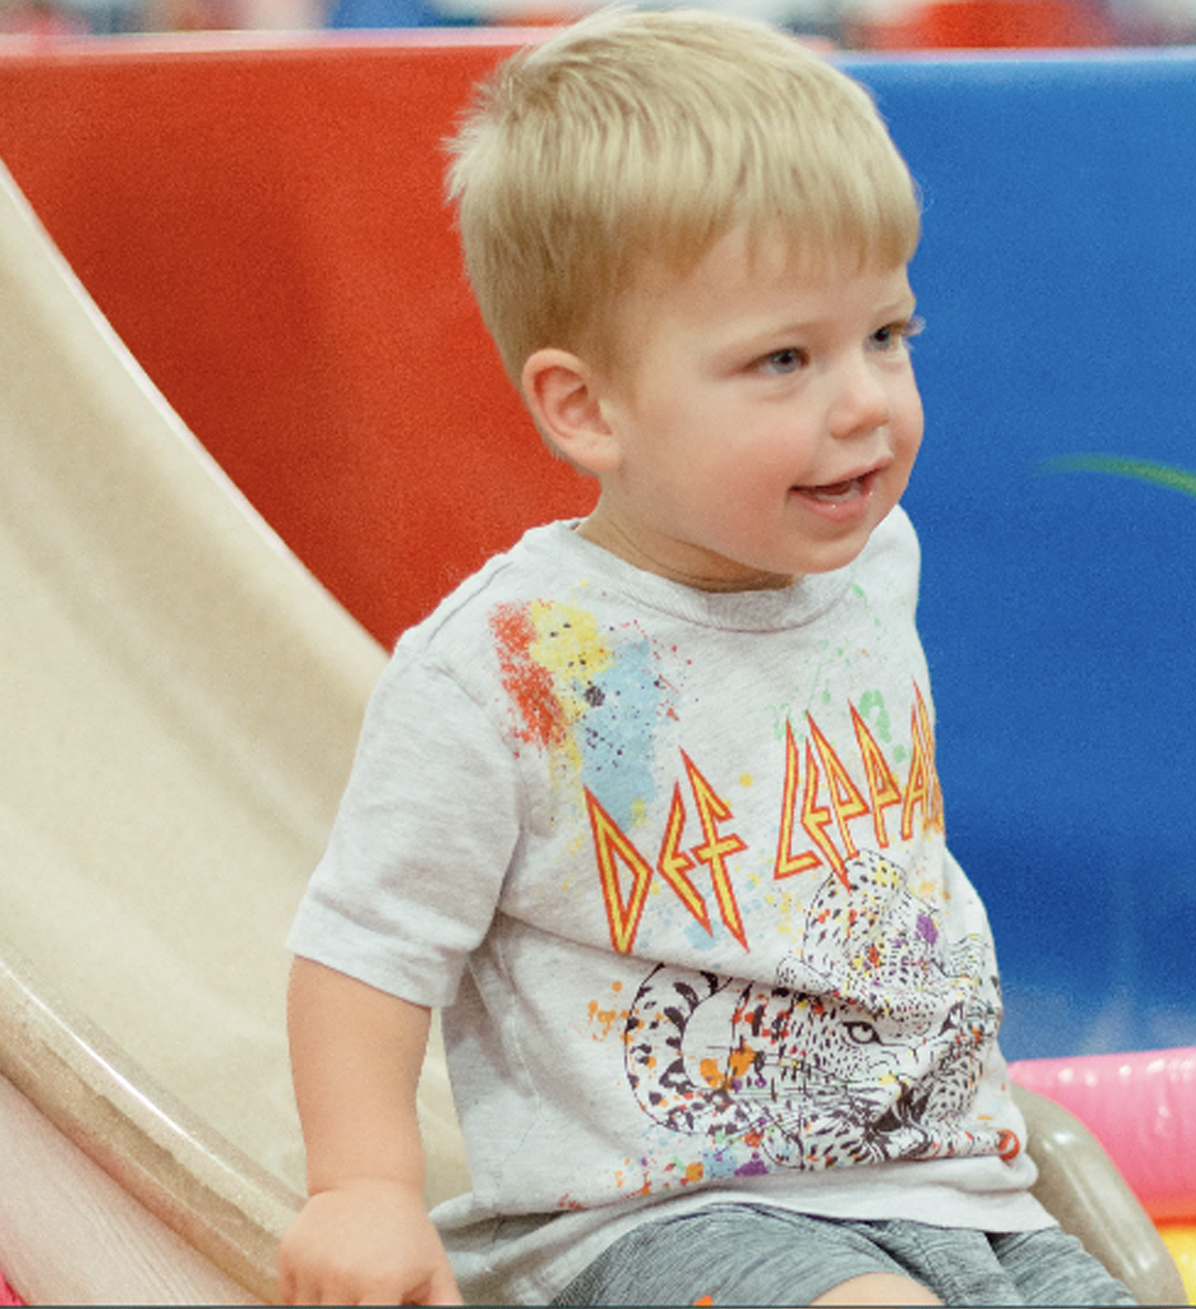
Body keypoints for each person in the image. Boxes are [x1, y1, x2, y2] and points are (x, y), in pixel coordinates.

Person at [274, 8, 1134, 1306]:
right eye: (784, 359)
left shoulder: (873, 562)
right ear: (588, 407)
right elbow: (367, 946)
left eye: (887, 335)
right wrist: (364, 1191)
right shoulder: (510, 668)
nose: (866, 402)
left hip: (957, 1187)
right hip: (660, 1222)